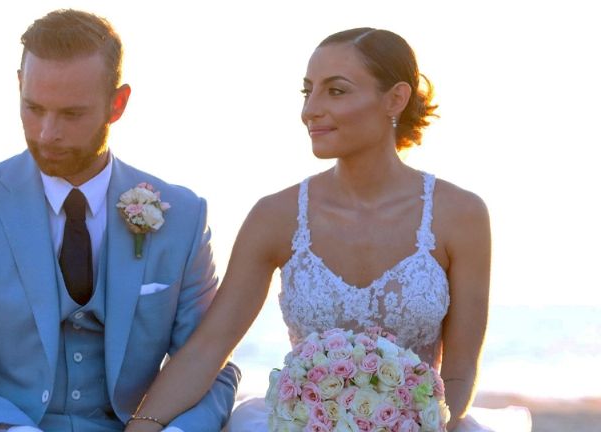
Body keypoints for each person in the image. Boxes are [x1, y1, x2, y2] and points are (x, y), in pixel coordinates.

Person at [125, 28, 531, 432]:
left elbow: (460, 370)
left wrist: (421, 425)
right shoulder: (275, 216)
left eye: (336, 91)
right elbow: (207, 348)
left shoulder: (461, 215)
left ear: (395, 98)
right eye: (308, 91)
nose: (310, 111)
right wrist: (143, 425)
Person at [0, 9, 239, 432]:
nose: (47, 133)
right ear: (18, 86)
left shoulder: (184, 216)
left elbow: (212, 367)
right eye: (33, 108)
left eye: (71, 114)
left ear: (117, 104)